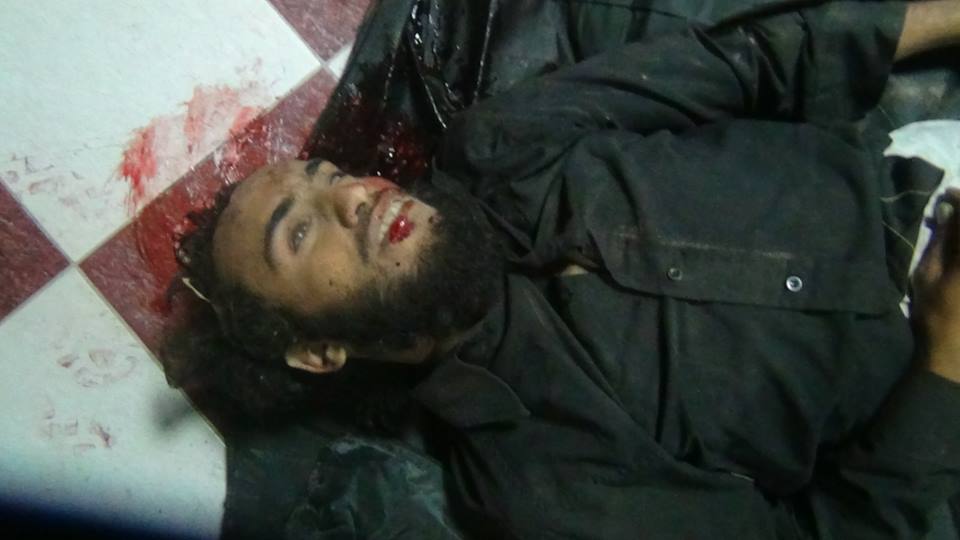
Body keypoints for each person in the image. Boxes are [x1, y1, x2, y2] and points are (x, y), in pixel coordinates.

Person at [171, 0, 960, 538]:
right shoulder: (533, 478)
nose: (355, 196)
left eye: (331, 176)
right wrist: (945, 363)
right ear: (317, 352)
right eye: (299, 232)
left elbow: (747, 61)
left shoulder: (502, 144)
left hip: (930, 179)